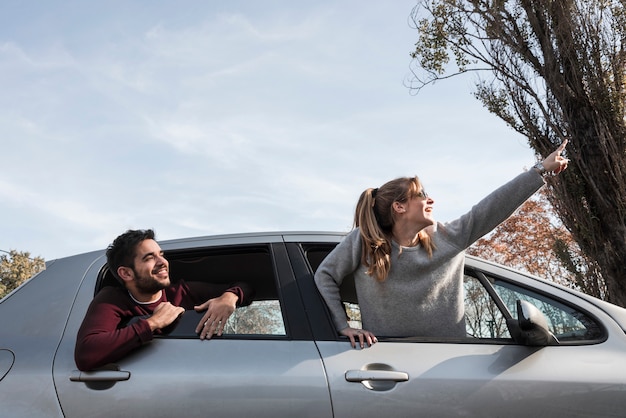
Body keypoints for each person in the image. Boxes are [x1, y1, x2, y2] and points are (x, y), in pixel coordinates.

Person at [315, 141, 569, 349]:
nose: (431, 199)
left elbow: (490, 209)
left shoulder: (447, 238)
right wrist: (342, 325)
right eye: (422, 194)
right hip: (387, 360)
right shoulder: (364, 242)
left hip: (446, 359)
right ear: (399, 207)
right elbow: (325, 275)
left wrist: (539, 169)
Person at [74, 229, 254, 371]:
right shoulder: (112, 300)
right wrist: (152, 323)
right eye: (150, 258)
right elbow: (86, 355)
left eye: (161, 254)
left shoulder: (182, 292)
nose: (163, 261)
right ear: (126, 273)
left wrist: (229, 297)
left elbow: (249, 287)